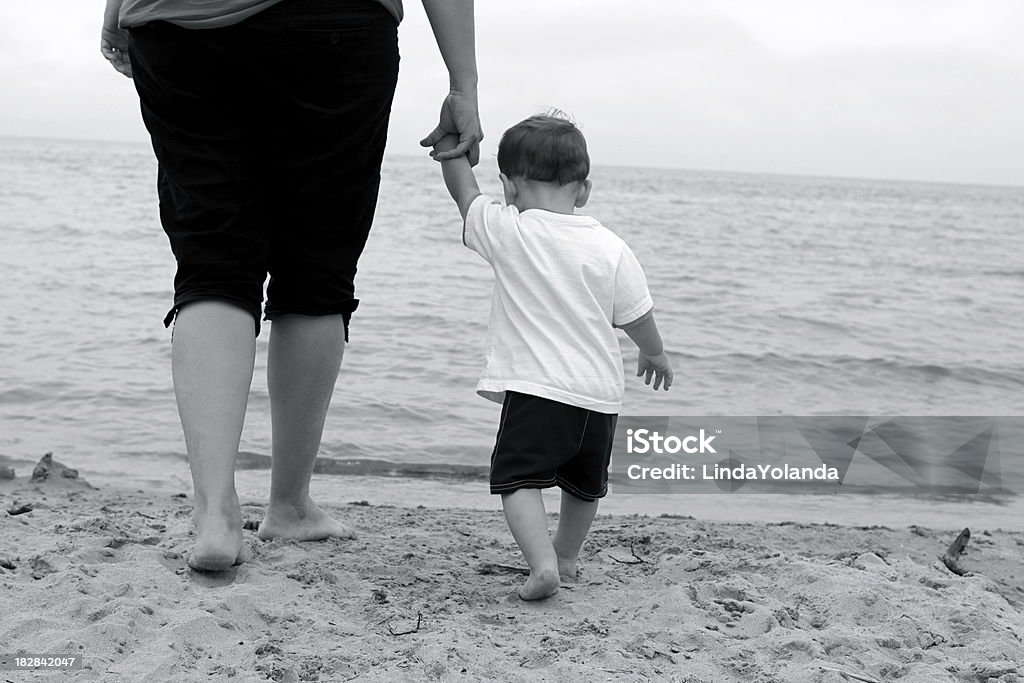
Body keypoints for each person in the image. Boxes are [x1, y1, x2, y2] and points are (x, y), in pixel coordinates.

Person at [100, 0, 482, 571]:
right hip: (332, 26)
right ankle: (289, 504)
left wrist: (116, 9)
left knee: (212, 259)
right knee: (317, 263)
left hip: (176, 19)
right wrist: (463, 82)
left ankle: (214, 515)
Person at [432, 114, 673, 600]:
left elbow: (463, 194)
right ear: (583, 191)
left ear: (508, 186)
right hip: (600, 396)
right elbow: (635, 313)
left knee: (518, 479)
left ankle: (542, 565)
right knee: (584, 486)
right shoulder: (611, 247)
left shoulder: (509, 231)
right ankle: (566, 555)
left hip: (538, 390)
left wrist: (453, 149)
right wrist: (654, 352)